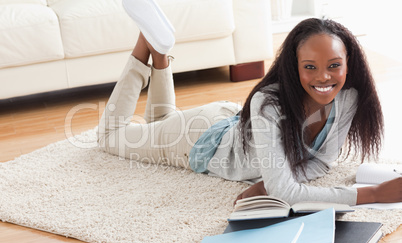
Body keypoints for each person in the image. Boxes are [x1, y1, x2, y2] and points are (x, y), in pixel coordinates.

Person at [98, 0, 402, 206]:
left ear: (349, 64)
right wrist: (372, 193)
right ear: (293, 67)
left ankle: (160, 51)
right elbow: (287, 193)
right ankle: (145, 44)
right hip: (198, 140)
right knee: (110, 138)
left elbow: (320, 163)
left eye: (334, 65)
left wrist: (274, 181)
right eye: (310, 67)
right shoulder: (268, 103)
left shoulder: (348, 97)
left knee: (157, 125)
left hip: (228, 120)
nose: (324, 77)